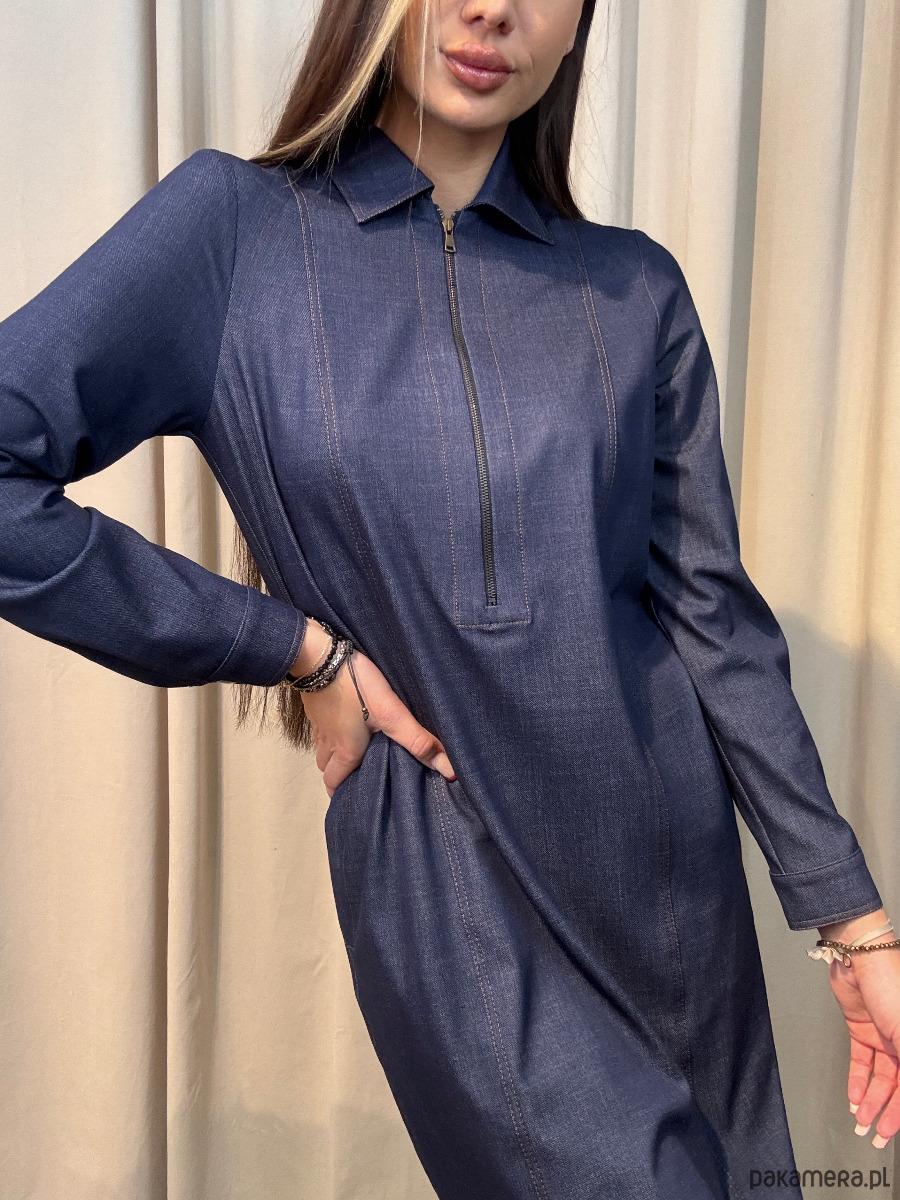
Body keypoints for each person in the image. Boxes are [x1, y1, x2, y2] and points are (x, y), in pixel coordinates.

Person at [1, 0, 897, 1195]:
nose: (493, 9)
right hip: (448, 868)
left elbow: (714, 625)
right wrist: (291, 646)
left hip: (672, 891)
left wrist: (853, 922)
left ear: (580, 25)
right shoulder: (235, 232)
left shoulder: (631, 289)